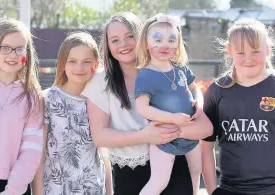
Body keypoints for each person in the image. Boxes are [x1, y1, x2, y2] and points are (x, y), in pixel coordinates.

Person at [82, 12, 213, 195]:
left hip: (174, 160)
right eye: (115, 40)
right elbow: (100, 137)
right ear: (108, 45)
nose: (124, 44)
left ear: (143, 38)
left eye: (130, 36)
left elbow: (205, 127)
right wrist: (146, 135)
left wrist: (187, 115)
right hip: (130, 173)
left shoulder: (165, 70)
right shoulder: (100, 81)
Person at [135, 13, 213, 195]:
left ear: (178, 45)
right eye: (158, 39)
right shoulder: (146, 74)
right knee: (160, 180)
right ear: (146, 44)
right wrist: (172, 118)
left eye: (171, 40)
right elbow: (142, 108)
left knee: (195, 172)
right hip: (164, 136)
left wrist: (198, 104)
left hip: (190, 133)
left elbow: (195, 89)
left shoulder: (181, 69)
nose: (165, 45)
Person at [201, 19, 275, 195]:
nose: (248, 58)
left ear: (267, 49)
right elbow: (206, 147)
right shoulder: (217, 90)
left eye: (256, 51)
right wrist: (212, 190)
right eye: (241, 52)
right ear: (229, 51)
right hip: (229, 189)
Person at [32, 32, 110, 195]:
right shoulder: (47, 99)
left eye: (86, 62)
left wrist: (109, 191)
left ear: (95, 64)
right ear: (63, 64)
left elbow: (105, 156)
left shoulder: (100, 101)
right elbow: (38, 157)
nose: (79, 68)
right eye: (72, 61)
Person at [0, 19, 43, 195]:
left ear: (27, 53)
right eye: (5, 47)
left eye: (19, 49)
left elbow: (31, 150)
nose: (12, 55)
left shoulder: (33, 97)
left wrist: (12, 191)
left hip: (16, 188)